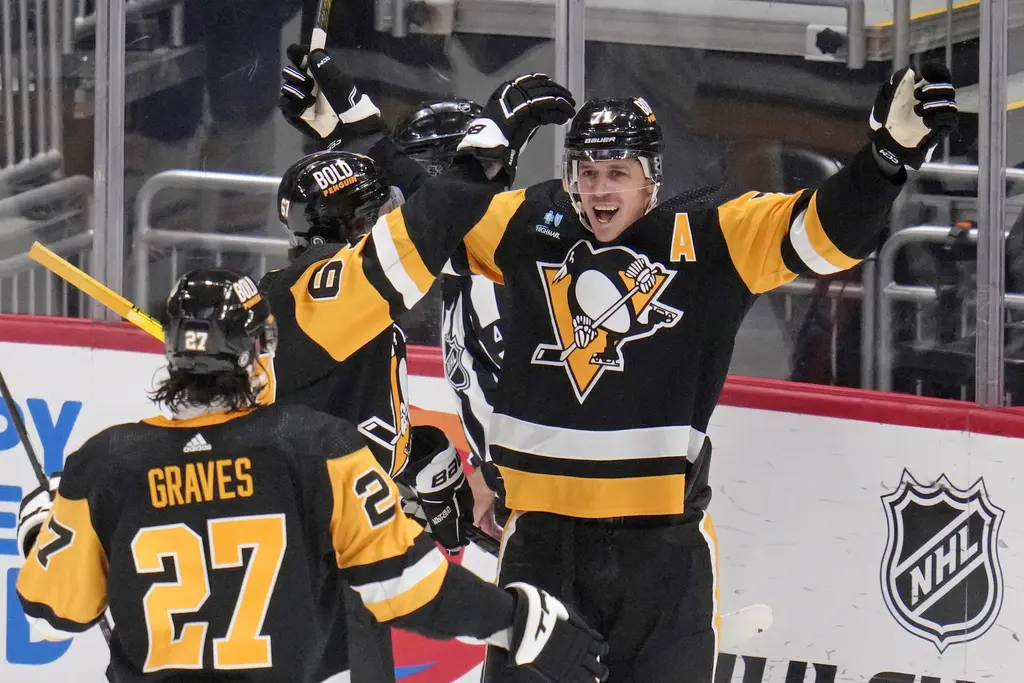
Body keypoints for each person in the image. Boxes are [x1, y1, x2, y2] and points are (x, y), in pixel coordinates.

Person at [282, 49, 959, 683]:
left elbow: (825, 232)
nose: (598, 189)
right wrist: (355, 126)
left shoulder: (715, 239)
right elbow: (432, 217)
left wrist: (885, 160)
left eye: (617, 172)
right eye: (586, 170)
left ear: (652, 177)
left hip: (660, 555)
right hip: (540, 548)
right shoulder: (530, 222)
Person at [14, 267, 608, 683]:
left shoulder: (106, 464)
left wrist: (38, 529)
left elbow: (58, 608)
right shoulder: (317, 447)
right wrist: (517, 621)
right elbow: (410, 589)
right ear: (253, 353)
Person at [272, 66, 576, 683]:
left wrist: (420, 461)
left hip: (565, 526)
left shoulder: (498, 278)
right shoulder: (345, 296)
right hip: (317, 575)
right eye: (380, 206)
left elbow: (344, 423)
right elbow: (430, 220)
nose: (396, 211)